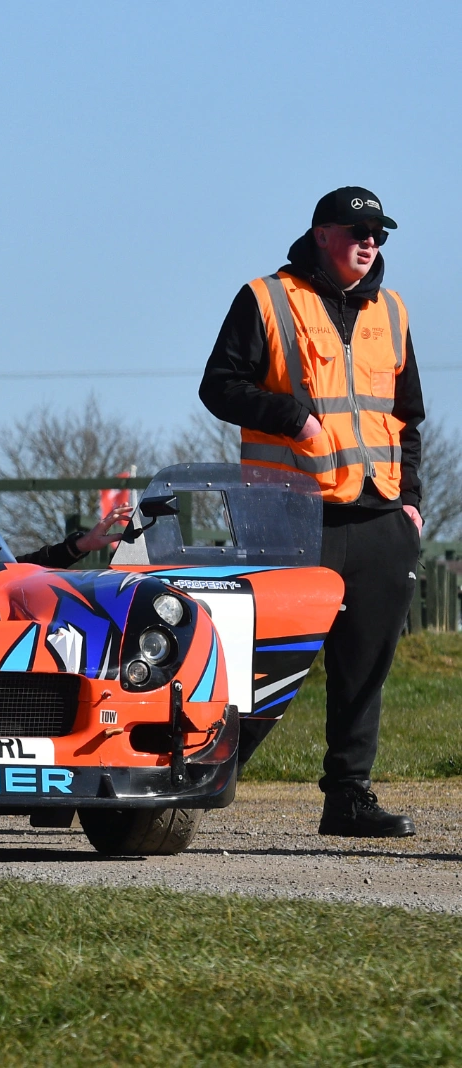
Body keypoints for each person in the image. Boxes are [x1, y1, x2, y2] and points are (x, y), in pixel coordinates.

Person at [199, 186, 424, 838]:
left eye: (379, 233)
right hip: (292, 515)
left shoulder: (395, 311)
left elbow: (408, 417)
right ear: (322, 233)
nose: (371, 242)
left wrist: (409, 502)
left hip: (379, 515)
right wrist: (291, 415)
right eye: (358, 230)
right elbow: (219, 386)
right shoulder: (267, 299)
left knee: (366, 666)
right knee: (264, 659)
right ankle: (193, 780)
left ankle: (348, 798)